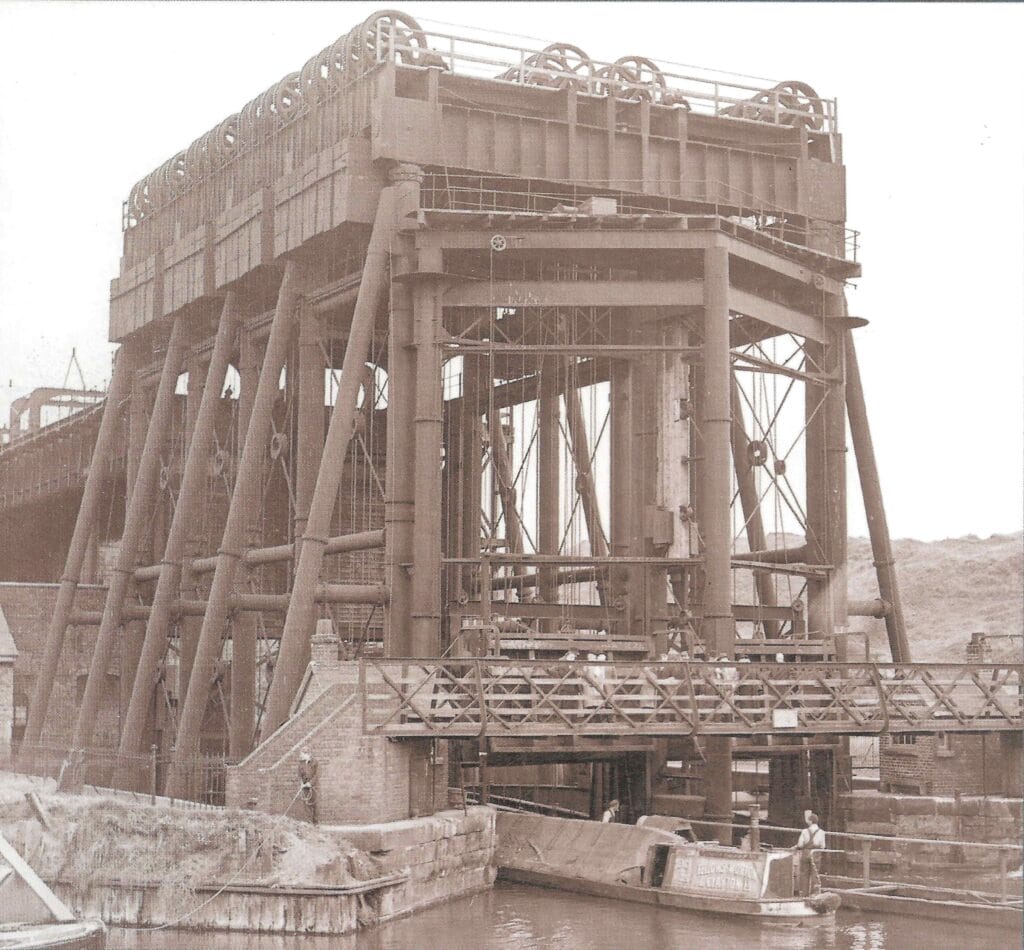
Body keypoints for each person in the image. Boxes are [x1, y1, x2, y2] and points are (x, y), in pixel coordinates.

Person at [792, 811, 826, 896]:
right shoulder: (822, 832)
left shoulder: (804, 831)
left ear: (810, 821)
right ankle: (814, 894)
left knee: (804, 874)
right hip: (816, 854)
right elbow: (823, 846)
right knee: (815, 874)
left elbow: (800, 844)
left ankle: (804, 894)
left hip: (806, 853)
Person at [298, 750, 319, 824]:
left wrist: (310, 783)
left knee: (314, 804)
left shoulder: (315, 762)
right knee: (306, 804)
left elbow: (317, 775)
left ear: (307, 754)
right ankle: (309, 823)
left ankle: (315, 823)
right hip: (305, 787)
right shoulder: (301, 763)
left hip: (314, 787)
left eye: (302, 754)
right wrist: (301, 783)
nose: (301, 756)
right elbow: (299, 775)